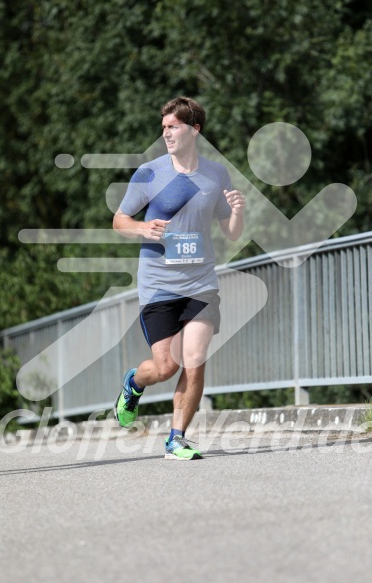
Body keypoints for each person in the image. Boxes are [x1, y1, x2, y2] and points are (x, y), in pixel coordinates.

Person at [113, 96, 245, 460]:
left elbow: (231, 233)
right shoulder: (150, 173)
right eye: (164, 127)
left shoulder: (216, 174)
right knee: (165, 366)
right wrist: (142, 228)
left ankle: (176, 438)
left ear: (194, 129)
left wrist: (236, 212)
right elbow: (119, 220)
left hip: (201, 282)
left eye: (173, 127)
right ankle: (134, 383)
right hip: (158, 284)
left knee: (195, 357)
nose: (166, 133)